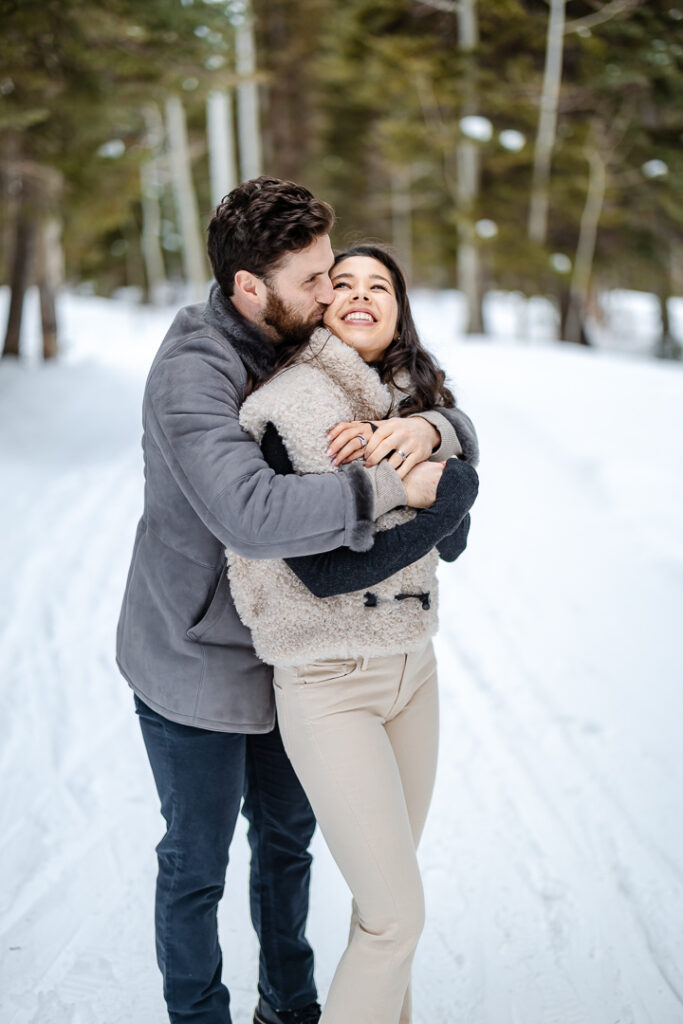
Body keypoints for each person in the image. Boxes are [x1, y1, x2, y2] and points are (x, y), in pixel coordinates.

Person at [116, 177, 479, 1024]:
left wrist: (436, 431)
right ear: (251, 288)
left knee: (286, 849)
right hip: (198, 656)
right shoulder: (192, 373)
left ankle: (290, 1008)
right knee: (197, 861)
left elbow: (415, 391)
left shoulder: (293, 330)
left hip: (295, 647)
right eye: (315, 280)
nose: (332, 295)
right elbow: (254, 514)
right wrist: (399, 482)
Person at [226, 244, 479, 1024]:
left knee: (381, 913)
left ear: (399, 310)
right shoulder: (288, 405)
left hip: (414, 672)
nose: (363, 295)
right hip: (329, 681)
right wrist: (449, 490)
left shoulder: (412, 403)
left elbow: (453, 544)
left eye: (382, 286)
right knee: (396, 917)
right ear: (322, 305)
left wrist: (441, 445)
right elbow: (324, 573)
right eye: (344, 284)